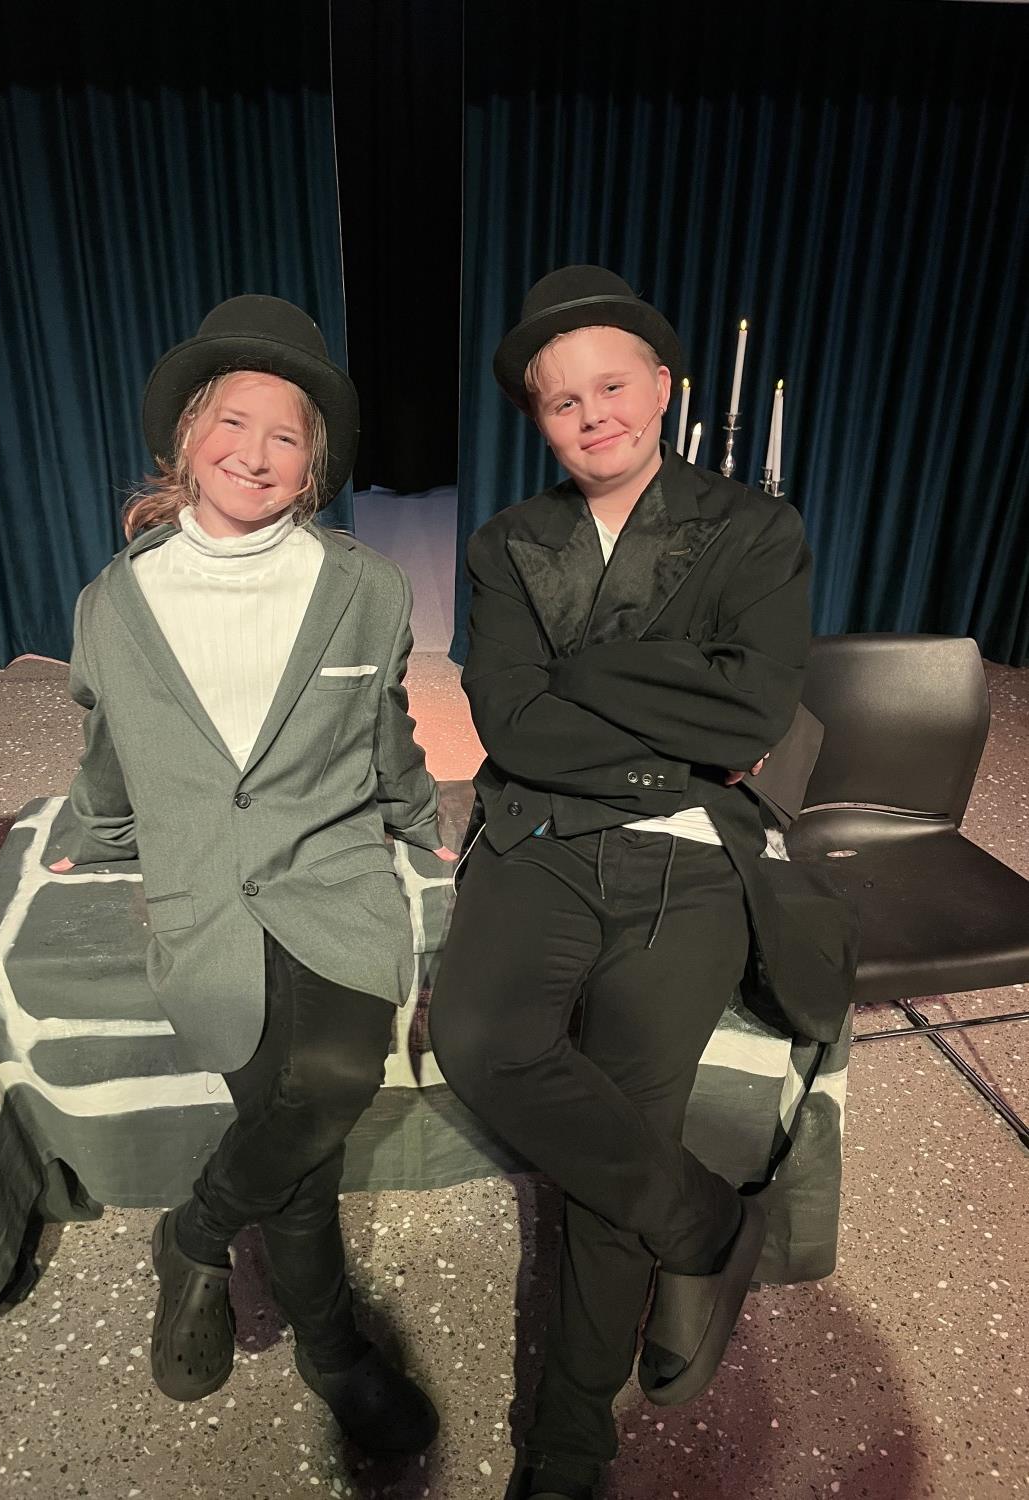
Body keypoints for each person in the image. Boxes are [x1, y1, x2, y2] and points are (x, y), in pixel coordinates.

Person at [428, 266, 855, 1500]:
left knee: (626, 1119)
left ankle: (568, 1445)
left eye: (611, 387)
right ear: (540, 420)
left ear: (662, 386)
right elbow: (511, 722)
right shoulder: (508, 542)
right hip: (539, 840)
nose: (592, 416)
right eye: (562, 403)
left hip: (690, 854)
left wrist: (586, 676)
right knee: (478, 1037)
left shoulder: (754, 530)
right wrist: (678, 701)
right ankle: (708, 1223)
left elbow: (752, 712)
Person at [51, 294, 456, 1457]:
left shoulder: (363, 588)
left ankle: (193, 1232)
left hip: (331, 876)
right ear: (188, 438)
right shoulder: (114, 603)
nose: (256, 452)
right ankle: (335, 1352)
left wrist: (416, 816)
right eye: (234, 422)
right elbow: (114, 746)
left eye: (287, 436)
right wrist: (93, 830)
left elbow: (383, 727)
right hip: (204, 901)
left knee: (332, 1074)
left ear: (312, 465)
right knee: (298, 1148)